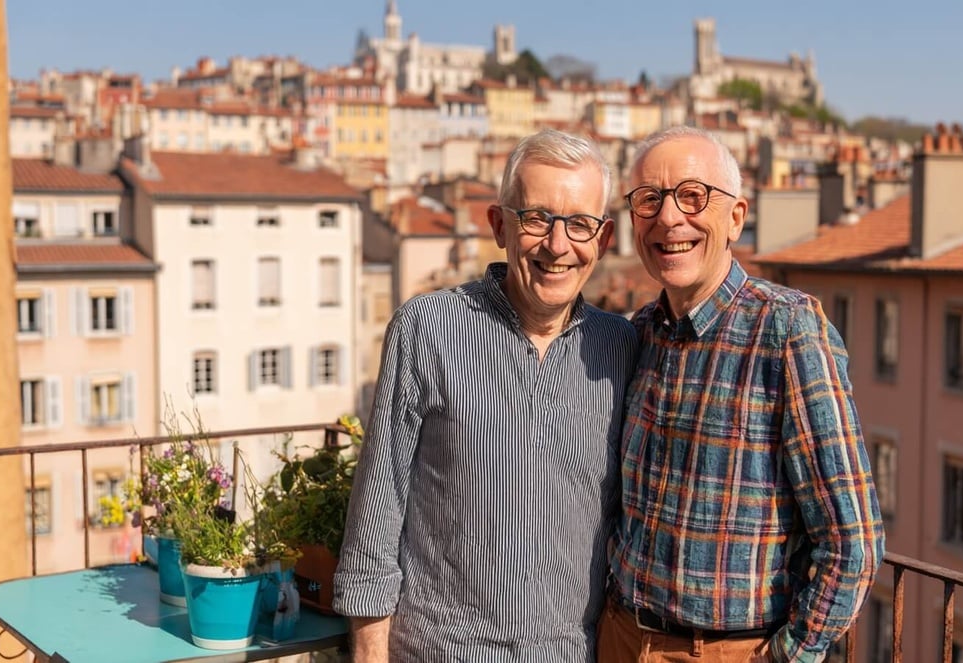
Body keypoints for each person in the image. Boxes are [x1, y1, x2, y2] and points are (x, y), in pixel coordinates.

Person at [333, 128, 637, 662]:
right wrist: (368, 651)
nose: (558, 245)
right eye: (537, 218)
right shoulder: (426, 328)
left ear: (603, 240)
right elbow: (377, 509)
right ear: (500, 225)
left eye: (579, 224)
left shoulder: (623, 348)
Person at [601, 126, 885, 663]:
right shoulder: (639, 333)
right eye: (649, 200)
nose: (668, 218)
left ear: (736, 217)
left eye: (692, 196)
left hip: (725, 651)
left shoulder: (787, 330)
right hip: (618, 636)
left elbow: (854, 543)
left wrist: (788, 655)